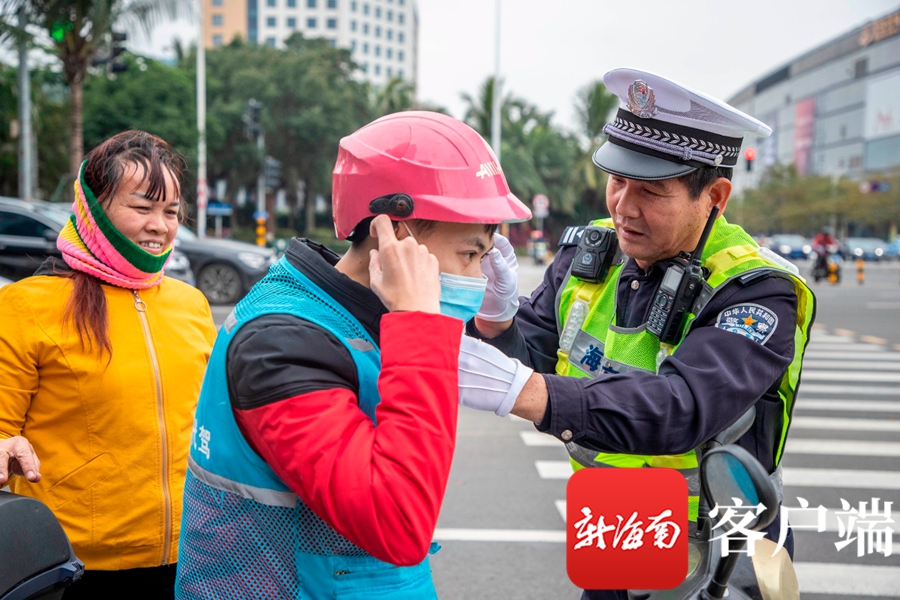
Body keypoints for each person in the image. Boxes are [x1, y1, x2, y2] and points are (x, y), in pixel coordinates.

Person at [459, 69, 816, 599]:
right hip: (621, 514)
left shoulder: (756, 290)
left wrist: (528, 393)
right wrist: (496, 320)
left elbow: (680, 408)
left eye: (650, 191)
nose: (624, 206)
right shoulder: (593, 251)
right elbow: (531, 352)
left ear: (715, 196)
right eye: (617, 180)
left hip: (722, 539)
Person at [174, 111, 532, 599]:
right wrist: (420, 327)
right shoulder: (282, 344)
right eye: (470, 255)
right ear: (399, 236)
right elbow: (397, 522)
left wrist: (493, 322)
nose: (476, 278)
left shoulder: (366, 313)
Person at [0, 131, 217, 598]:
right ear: (94, 209)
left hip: (191, 555)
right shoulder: (24, 306)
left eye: (171, 212)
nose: (159, 226)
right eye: (141, 208)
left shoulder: (192, 304)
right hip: (73, 566)